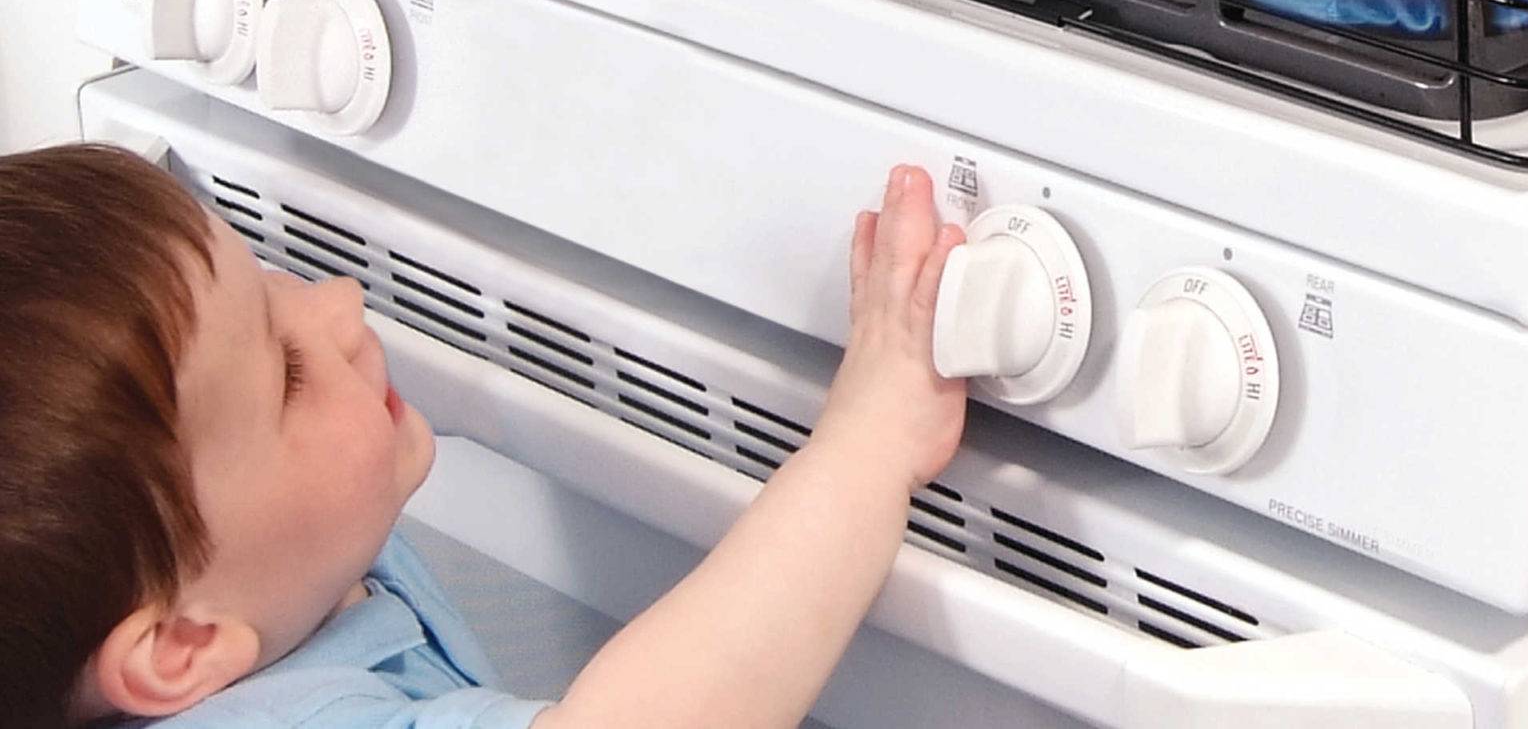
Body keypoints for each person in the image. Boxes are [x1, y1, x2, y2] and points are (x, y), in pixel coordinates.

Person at [0, 144, 968, 729]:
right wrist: (871, 439)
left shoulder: (265, 580)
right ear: (183, 643)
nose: (340, 303)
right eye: (288, 371)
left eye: (271, 283)